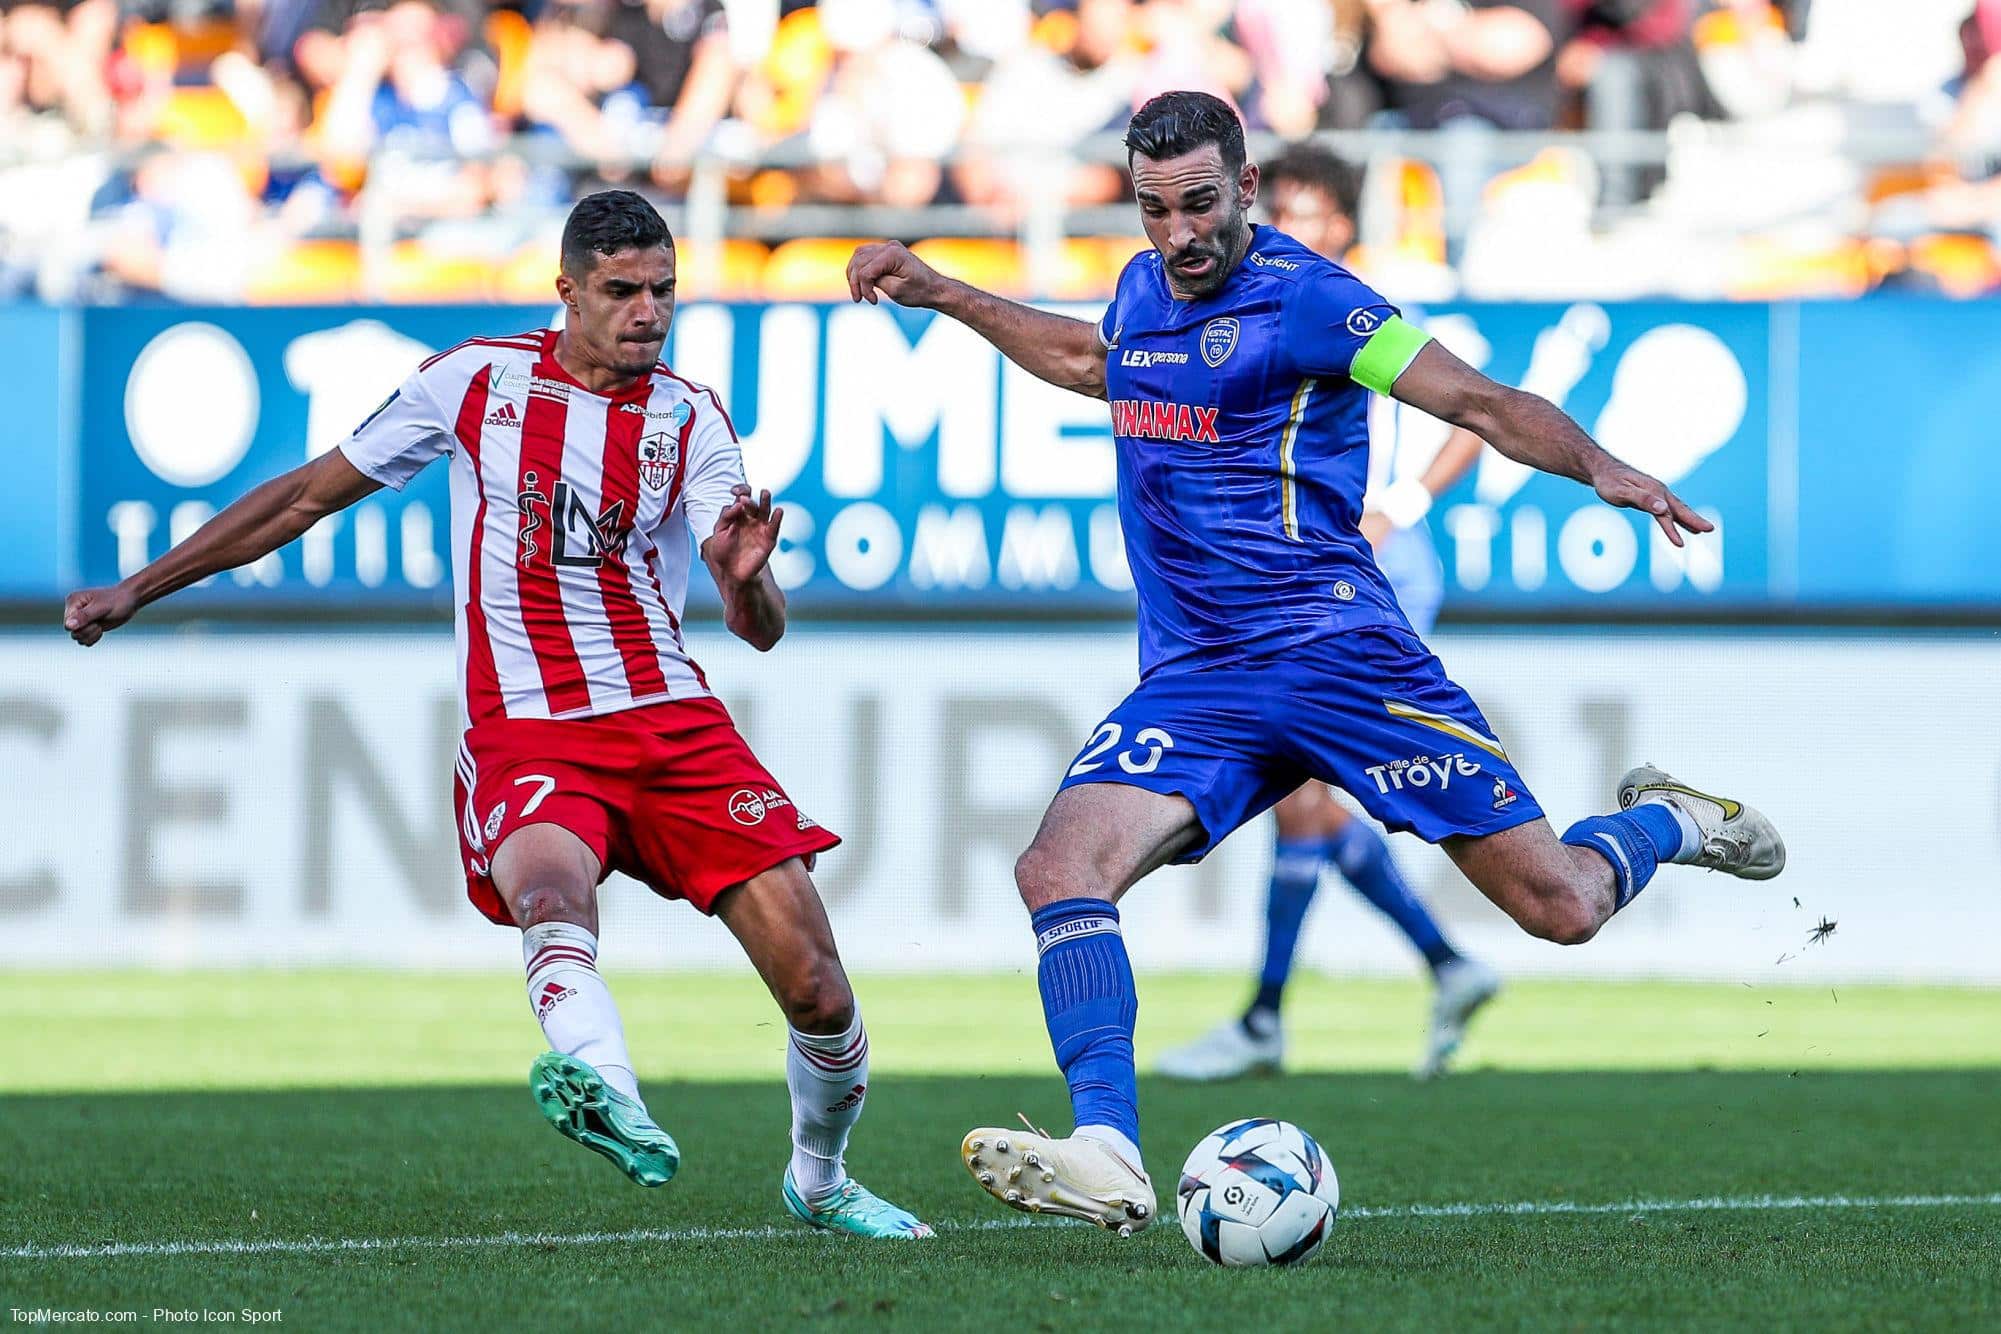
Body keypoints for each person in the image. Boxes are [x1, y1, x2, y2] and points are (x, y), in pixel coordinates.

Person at [846, 91, 1784, 1237]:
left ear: (1244, 189)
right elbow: (1095, 361)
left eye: (1199, 203)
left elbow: (1476, 399)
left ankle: (1670, 820)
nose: (1179, 233)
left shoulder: (1314, 301)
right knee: (1056, 868)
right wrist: (939, 289)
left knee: (1563, 906)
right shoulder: (1144, 289)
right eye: (1154, 209)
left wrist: (1601, 467)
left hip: (1339, 654)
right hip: (1199, 677)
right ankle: (1106, 1144)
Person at [65, 189, 931, 1242]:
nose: (647, 311)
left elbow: (759, 627)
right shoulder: (474, 381)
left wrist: (746, 578)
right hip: (530, 722)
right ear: (566, 291)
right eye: (622, 290)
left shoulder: (692, 417)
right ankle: (608, 1084)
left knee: (819, 988)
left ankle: (822, 1177)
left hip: (672, 717)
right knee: (552, 890)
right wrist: (137, 588)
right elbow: (301, 498)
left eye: (663, 289)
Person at [1154, 141, 1500, 1085]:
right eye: (1286, 212)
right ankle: (1440, 964)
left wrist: (1402, 507)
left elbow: (1471, 415)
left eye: (1313, 214)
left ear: (1343, 224)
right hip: (1294, 581)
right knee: (1303, 802)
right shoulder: (1253, 303)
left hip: (1366, 571)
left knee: (1305, 795)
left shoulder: (1362, 306)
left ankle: (1273, 1015)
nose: (1294, 230)